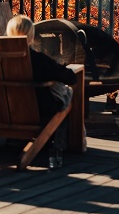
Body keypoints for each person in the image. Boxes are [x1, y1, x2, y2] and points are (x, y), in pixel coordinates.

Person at [6, 15, 79, 168]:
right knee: (68, 94)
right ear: (32, 36)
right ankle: (59, 145)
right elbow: (71, 78)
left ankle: (15, 139)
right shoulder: (38, 60)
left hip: (5, 107)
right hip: (39, 109)